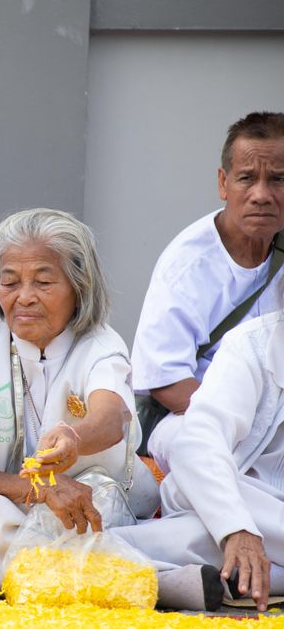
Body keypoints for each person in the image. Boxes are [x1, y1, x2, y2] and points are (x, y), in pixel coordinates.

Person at [0, 208, 159, 590]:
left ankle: (32, 570)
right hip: (6, 500)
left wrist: (74, 440)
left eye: (43, 282)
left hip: (90, 499)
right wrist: (38, 491)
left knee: (93, 514)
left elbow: (110, 418)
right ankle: (108, 571)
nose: (24, 297)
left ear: (79, 288)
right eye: (9, 283)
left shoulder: (100, 345)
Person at [133, 112, 284, 473]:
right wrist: (247, 426)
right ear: (223, 183)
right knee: (203, 455)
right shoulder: (187, 263)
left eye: (278, 180)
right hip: (197, 415)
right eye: (247, 178)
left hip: (275, 419)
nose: (261, 195)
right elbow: (167, 381)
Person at [114, 309, 284, 612]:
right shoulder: (252, 345)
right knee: (195, 484)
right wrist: (236, 527)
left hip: (247, 517)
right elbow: (199, 439)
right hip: (242, 498)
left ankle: (172, 576)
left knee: (188, 535)